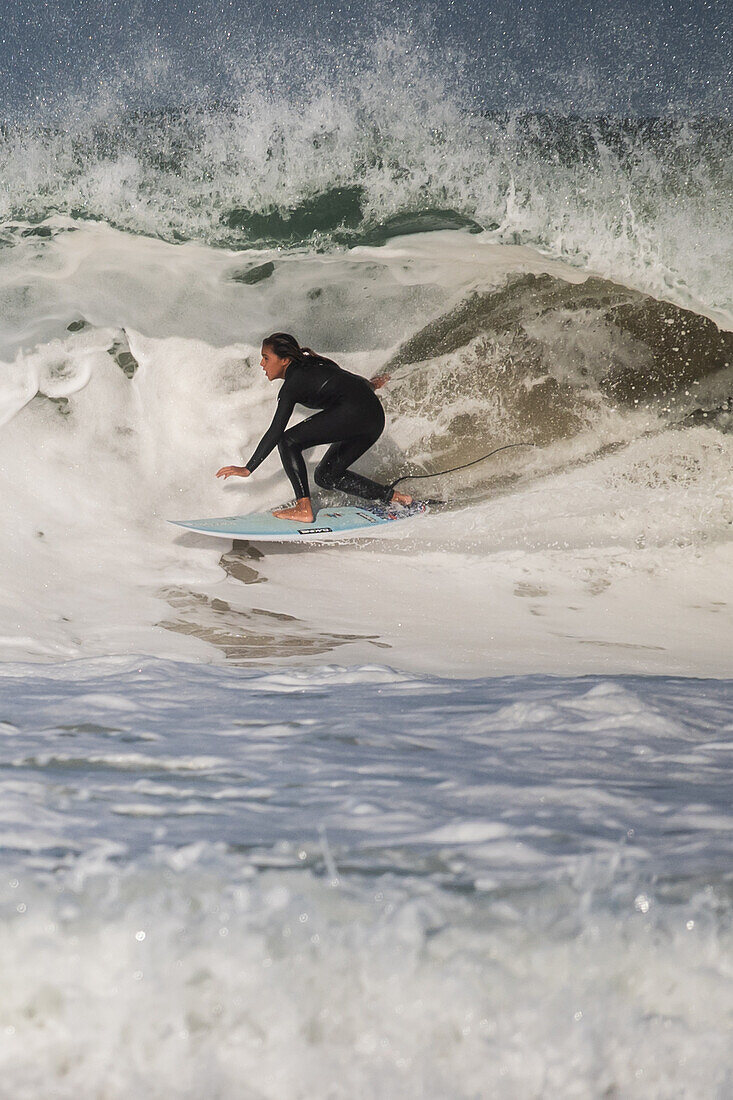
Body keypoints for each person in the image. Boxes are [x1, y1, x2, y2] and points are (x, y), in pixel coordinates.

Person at [215, 333, 413, 522]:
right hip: (374, 418)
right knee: (326, 476)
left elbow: (276, 431)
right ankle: (396, 497)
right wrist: (371, 385)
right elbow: (349, 381)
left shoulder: (293, 384)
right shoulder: (314, 365)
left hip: (356, 414)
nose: (262, 364)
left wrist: (248, 468)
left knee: (288, 441)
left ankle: (303, 508)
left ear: (284, 360)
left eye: (266, 358)